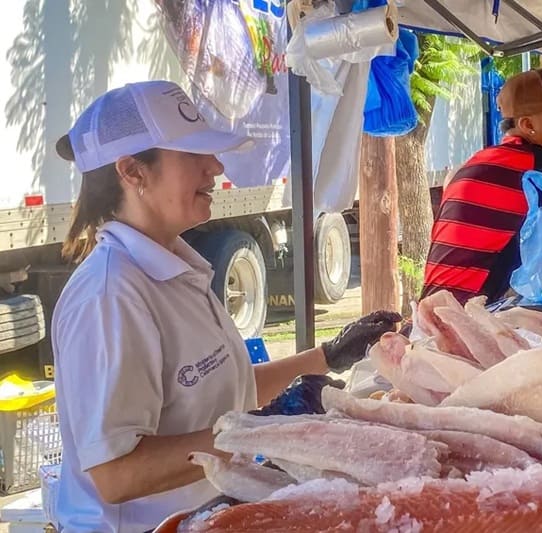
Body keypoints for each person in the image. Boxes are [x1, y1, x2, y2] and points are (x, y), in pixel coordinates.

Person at [51, 80, 400, 532]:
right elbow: (115, 475)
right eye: (194, 155)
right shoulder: (110, 296)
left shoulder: (177, 268)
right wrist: (268, 431)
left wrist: (328, 356)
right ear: (133, 171)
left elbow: (223, 393)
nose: (215, 167)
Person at [421, 67, 542, 304]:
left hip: (432, 306)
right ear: (528, 125)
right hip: (462, 313)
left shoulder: (480, 160)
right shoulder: (536, 165)